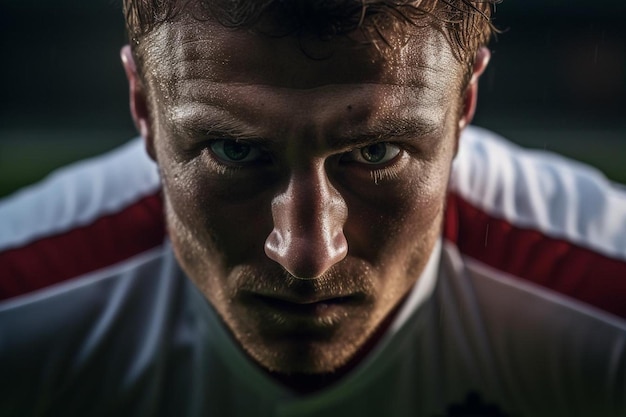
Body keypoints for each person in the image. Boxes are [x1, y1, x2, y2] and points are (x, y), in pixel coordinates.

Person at [1, 0, 625, 415]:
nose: (306, 256)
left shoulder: (604, 305)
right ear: (142, 103)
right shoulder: (21, 307)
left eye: (377, 152)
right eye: (234, 151)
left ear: (464, 106)